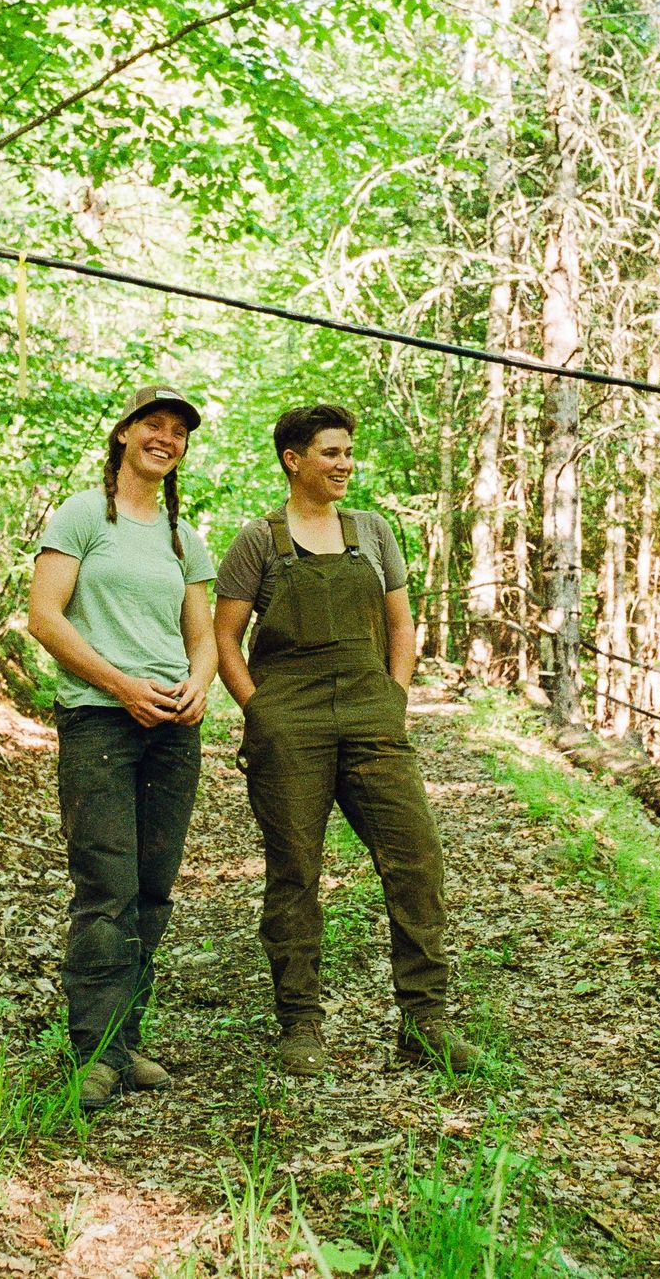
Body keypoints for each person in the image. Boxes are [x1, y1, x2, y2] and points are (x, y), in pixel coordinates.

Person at [213, 404, 478, 1077]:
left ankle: (425, 1020)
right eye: (330, 452)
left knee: (416, 859)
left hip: (371, 718)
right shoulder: (257, 541)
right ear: (292, 459)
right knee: (297, 873)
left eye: (348, 451)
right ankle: (300, 1024)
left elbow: (401, 625)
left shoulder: (373, 532)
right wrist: (260, 710)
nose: (344, 464)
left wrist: (394, 698)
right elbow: (224, 638)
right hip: (289, 725)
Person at [28, 385, 217, 1110]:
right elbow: (45, 616)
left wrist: (198, 687)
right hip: (100, 722)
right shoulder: (82, 514)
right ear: (124, 434)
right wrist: (121, 684)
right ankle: (96, 1055)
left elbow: (200, 636)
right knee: (105, 887)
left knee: (151, 889)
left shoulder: (183, 538)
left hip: (173, 729)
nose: (165, 438)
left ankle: (125, 1039)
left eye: (178, 431)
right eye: (152, 425)